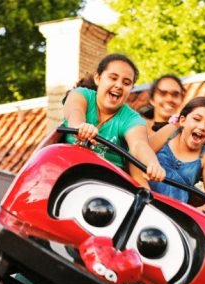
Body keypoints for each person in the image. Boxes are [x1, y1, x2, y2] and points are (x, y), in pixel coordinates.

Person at [63, 53, 165, 187]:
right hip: (68, 174)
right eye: (113, 78)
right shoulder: (81, 95)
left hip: (108, 185)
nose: (119, 85)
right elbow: (75, 112)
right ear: (98, 78)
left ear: (131, 89)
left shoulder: (132, 119)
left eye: (126, 83)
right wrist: (80, 126)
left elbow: (138, 144)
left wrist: (152, 163)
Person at [147, 96, 205, 203]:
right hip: (145, 196)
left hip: (173, 211)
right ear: (182, 120)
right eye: (197, 119)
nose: (202, 127)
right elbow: (139, 154)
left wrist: (198, 212)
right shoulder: (170, 131)